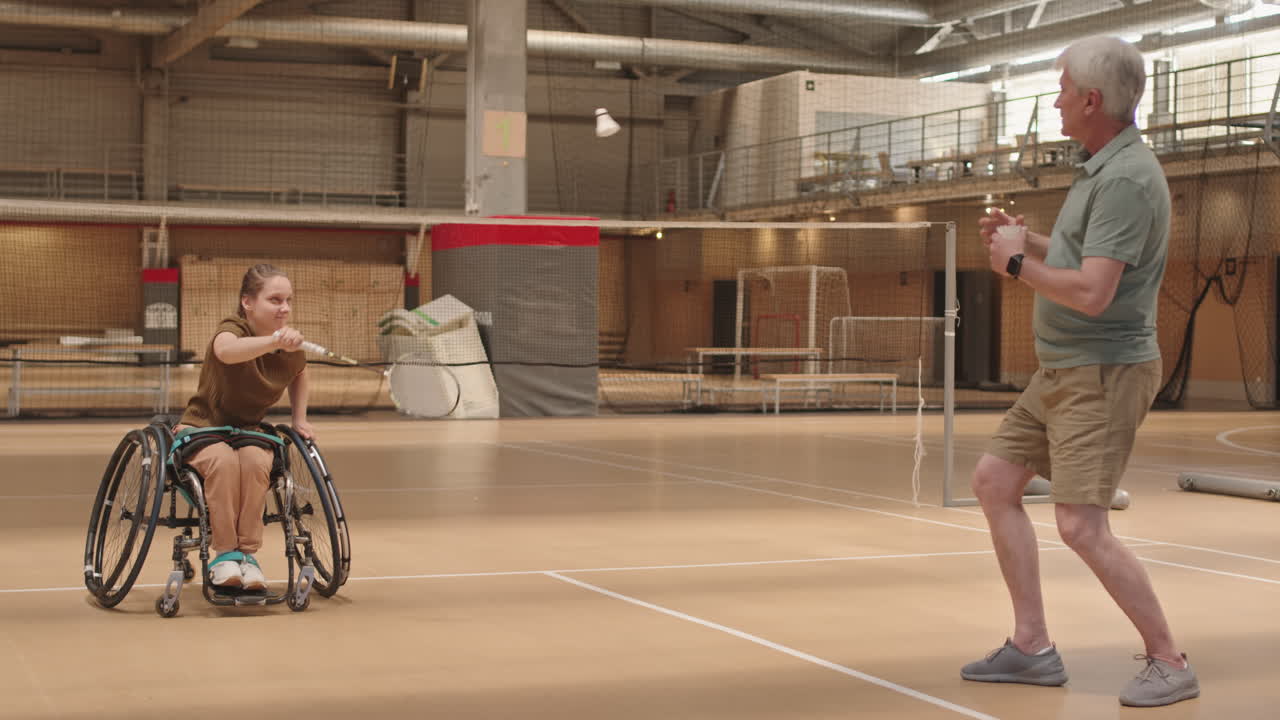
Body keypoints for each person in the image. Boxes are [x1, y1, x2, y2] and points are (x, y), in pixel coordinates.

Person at [963, 36, 1199, 707]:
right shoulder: (1102, 166)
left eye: (1063, 89)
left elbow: (1094, 293)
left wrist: (1014, 264)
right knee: (993, 481)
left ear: (1092, 100)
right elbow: (1082, 259)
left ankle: (1168, 659)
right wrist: (1027, 240)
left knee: (1081, 525)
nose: (1057, 100)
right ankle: (1032, 648)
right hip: (1064, 368)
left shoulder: (1125, 179)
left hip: (1102, 371)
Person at [175, 263, 315, 592]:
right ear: (248, 302)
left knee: (256, 462)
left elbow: (299, 372)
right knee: (223, 462)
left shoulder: (288, 344)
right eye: (275, 299)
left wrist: (300, 418)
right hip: (203, 428)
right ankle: (224, 555)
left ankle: (247, 557)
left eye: (288, 300)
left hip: (248, 430)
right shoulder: (233, 328)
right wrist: (274, 342)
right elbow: (225, 351)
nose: (284, 308)